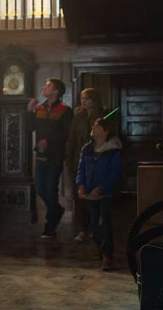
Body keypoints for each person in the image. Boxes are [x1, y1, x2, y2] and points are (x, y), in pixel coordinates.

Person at [26, 78, 73, 239]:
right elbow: (29, 128)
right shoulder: (39, 108)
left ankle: (50, 226)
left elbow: (66, 133)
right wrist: (29, 112)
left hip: (55, 155)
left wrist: (49, 141)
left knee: (50, 190)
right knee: (40, 188)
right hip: (40, 154)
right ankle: (57, 210)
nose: (44, 88)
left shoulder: (65, 110)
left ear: (56, 91)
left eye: (48, 86)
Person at [76, 117, 122, 271]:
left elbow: (115, 173)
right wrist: (81, 185)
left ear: (105, 131)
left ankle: (107, 255)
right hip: (90, 193)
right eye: (93, 127)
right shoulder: (87, 149)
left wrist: (102, 188)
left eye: (97, 127)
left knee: (105, 224)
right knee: (94, 223)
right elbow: (81, 169)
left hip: (105, 194)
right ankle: (98, 246)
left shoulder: (113, 151)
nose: (93, 129)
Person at [65, 88, 107, 243]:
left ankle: (95, 228)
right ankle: (82, 229)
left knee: (95, 197)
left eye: (87, 98)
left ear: (94, 100)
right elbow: (73, 138)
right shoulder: (78, 117)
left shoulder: (102, 116)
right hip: (79, 161)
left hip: (97, 160)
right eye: (82, 98)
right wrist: (70, 161)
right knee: (80, 198)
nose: (84, 101)